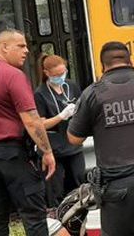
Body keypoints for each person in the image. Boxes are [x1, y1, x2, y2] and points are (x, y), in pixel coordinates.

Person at [67, 42, 134, 236]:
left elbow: (74, 138)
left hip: (118, 184)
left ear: (102, 66)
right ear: (130, 60)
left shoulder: (93, 93)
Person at [0, 30, 56, 236]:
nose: (26, 51)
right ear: (4, 47)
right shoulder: (13, 75)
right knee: (33, 215)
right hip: (11, 154)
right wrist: (47, 152)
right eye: (21, 46)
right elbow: (31, 120)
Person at [34, 54, 85, 207]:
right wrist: (61, 116)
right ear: (46, 73)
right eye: (56, 75)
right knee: (55, 190)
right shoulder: (40, 94)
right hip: (54, 149)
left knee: (78, 183)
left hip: (73, 146)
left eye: (63, 73)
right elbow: (40, 125)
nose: (61, 77)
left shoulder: (72, 86)